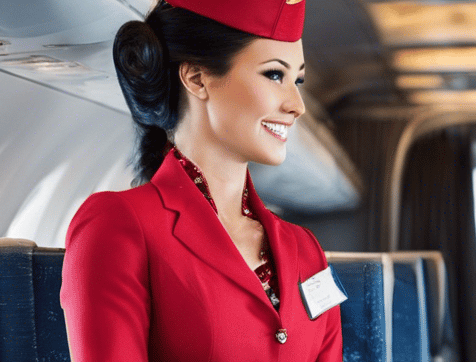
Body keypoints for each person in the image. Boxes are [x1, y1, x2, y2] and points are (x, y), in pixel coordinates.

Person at [60, 0, 343, 360]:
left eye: (297, 79)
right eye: (274, 74)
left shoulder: (306, 251)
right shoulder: (119, 225)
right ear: (196, 78)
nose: (296, 104)